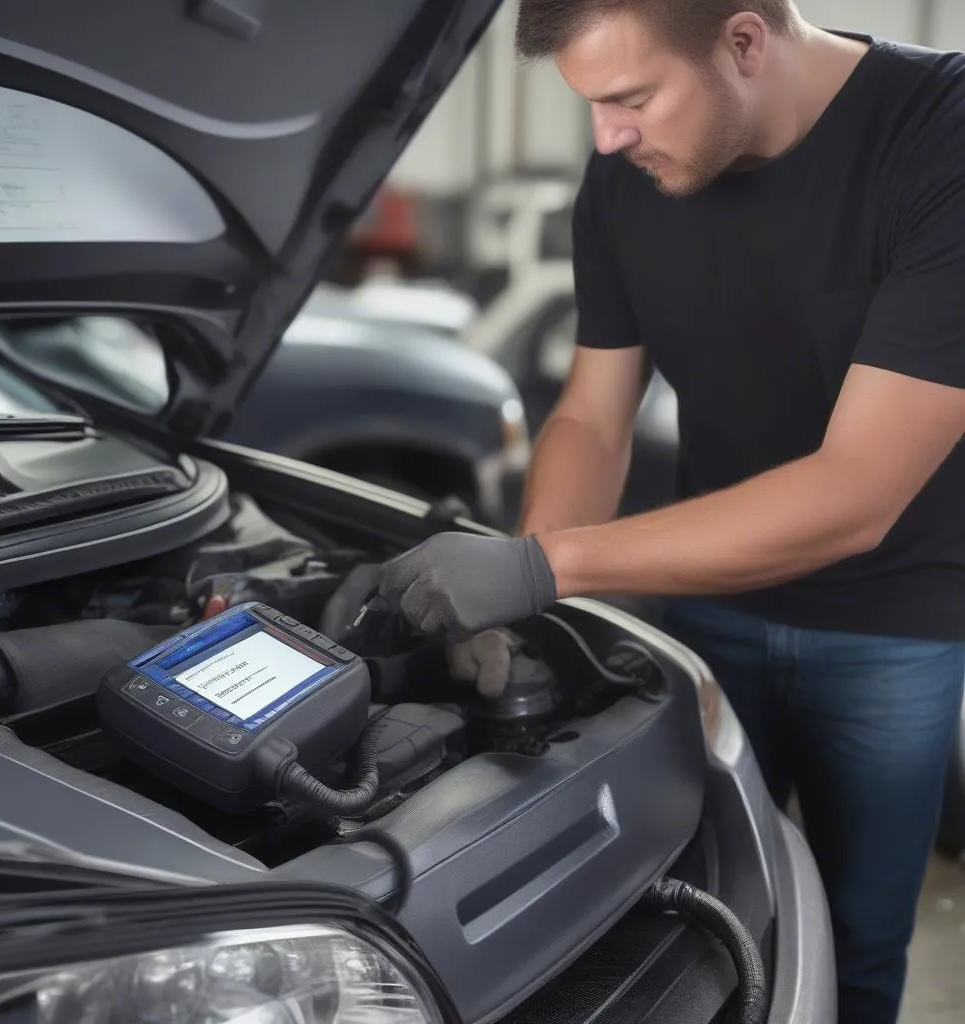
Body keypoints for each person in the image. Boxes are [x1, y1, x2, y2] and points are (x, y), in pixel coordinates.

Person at [378, 3, 965, 1022]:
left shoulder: (939, 134)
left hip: (892, 626)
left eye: (630, 98)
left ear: (743, 41)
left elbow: (855, 493)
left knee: (856, 941)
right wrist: (527, 599)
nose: (606, 137)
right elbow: (593, 417)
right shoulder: (626, 178)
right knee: (691, 915)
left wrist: (541, 568)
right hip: (711, 610)